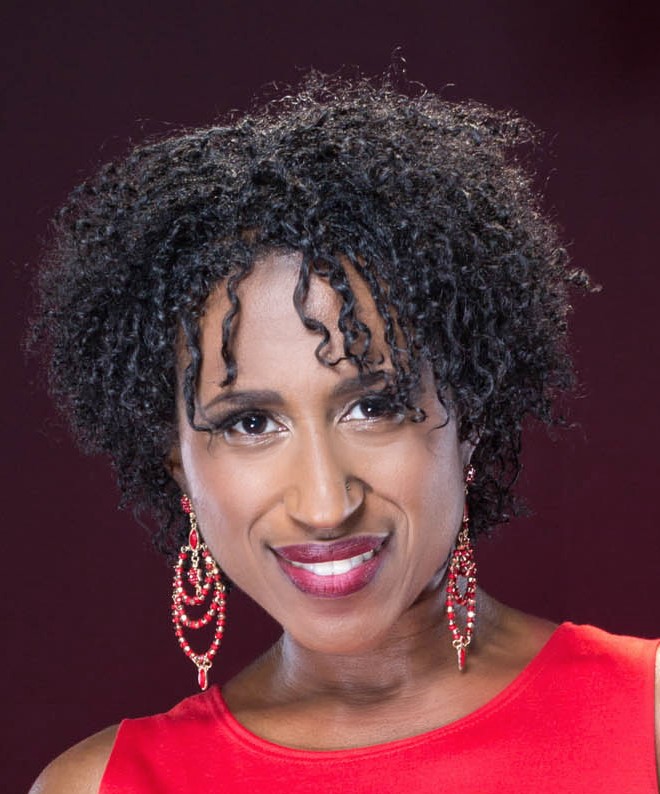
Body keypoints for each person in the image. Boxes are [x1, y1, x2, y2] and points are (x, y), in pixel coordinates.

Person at [29, 73, 659, 792]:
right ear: (178, 463)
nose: (326, 505)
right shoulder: (103, 784)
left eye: (373, 407)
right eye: (251, 423)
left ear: (472, 417)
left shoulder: (646, 717)